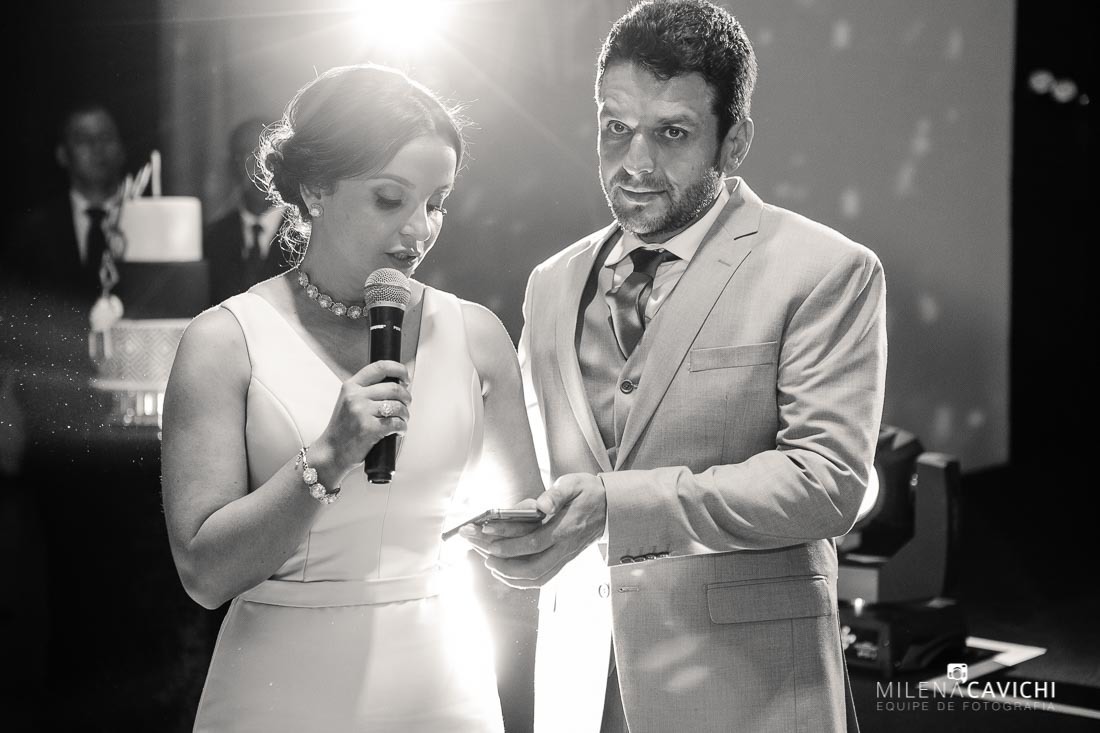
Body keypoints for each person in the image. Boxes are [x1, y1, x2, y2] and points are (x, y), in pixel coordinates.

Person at [463, 2, 887, 732]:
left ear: (734, 142)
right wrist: (513, 527)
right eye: (616, 128)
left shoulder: (824, 270)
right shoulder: (552, 282)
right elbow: (537, 472)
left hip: (747, 693)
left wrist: (617, 505)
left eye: (672, 133)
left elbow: (827, 484)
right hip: (577, 683)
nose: (635, 163)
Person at [161, 64, 542, 732]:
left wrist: (528, 531)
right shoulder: (225, 342)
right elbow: (204, 574)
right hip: (279, 691)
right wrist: (330, 454)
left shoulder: (476, 336)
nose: (419, 230)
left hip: (443, 687)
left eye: (436, 202)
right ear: (315, 188)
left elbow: (526, 547)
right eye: (390, 199)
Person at [203, 116, 291, 305]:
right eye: (246, 156)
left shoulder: (309, 234)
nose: (259, 167)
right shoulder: (211, 238)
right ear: (232, 167)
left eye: (268, 156)